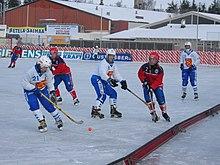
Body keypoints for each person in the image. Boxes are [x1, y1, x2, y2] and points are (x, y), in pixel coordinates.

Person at [22, 56, 63, 132]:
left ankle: (58, 119)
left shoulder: (48, 72)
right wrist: (33, 88)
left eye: (47, 67)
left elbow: (50, 82)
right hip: (30, 91)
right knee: (34, 105)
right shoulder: (30, 72)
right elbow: (24, 83)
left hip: (42, 89)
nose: (46, 69)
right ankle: (42, 121)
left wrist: (52, 91)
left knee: (48, 105)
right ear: (39, 65)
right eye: (44, 67)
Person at [90, 48, 127, 119]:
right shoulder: (103, 63)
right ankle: (95, 110)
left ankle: (113, 110)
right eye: (110, 56)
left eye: (112, 56)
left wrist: (122, 81)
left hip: (104, 80)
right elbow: (102, 73)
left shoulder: (113, 65)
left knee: (113, 93)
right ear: (107, 56)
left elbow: (116, 74)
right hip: (97, 78)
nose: (111, 57)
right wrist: (110, 80)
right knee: (102, 95)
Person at [138, 51, 170, 122]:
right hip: (147, 85)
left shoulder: (159, 69)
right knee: (148, 99)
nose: (151, 61)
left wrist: (152, 87)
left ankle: (164, 113)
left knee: (160, 98)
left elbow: (159, 80)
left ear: (157, 60)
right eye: (150, 59)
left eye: (154, 59)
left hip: (157, 86)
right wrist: (144, 81)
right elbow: (140, 74)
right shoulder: (144, 67)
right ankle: (153, 113)